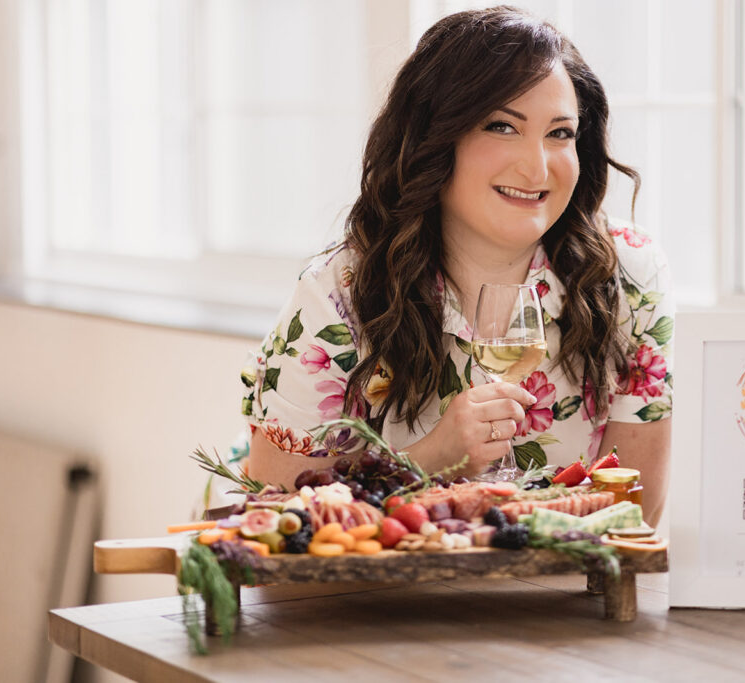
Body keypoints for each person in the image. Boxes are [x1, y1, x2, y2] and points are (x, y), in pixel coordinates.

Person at [239, 6, 673, 524]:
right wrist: (430, 461)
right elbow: (277, 527)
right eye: (501, 126)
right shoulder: (339, 293)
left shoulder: (627, 275)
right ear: (433, 139)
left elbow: (631, 516)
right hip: (374, 602)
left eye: (560, 133)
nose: (537, 168)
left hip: (553, 596)